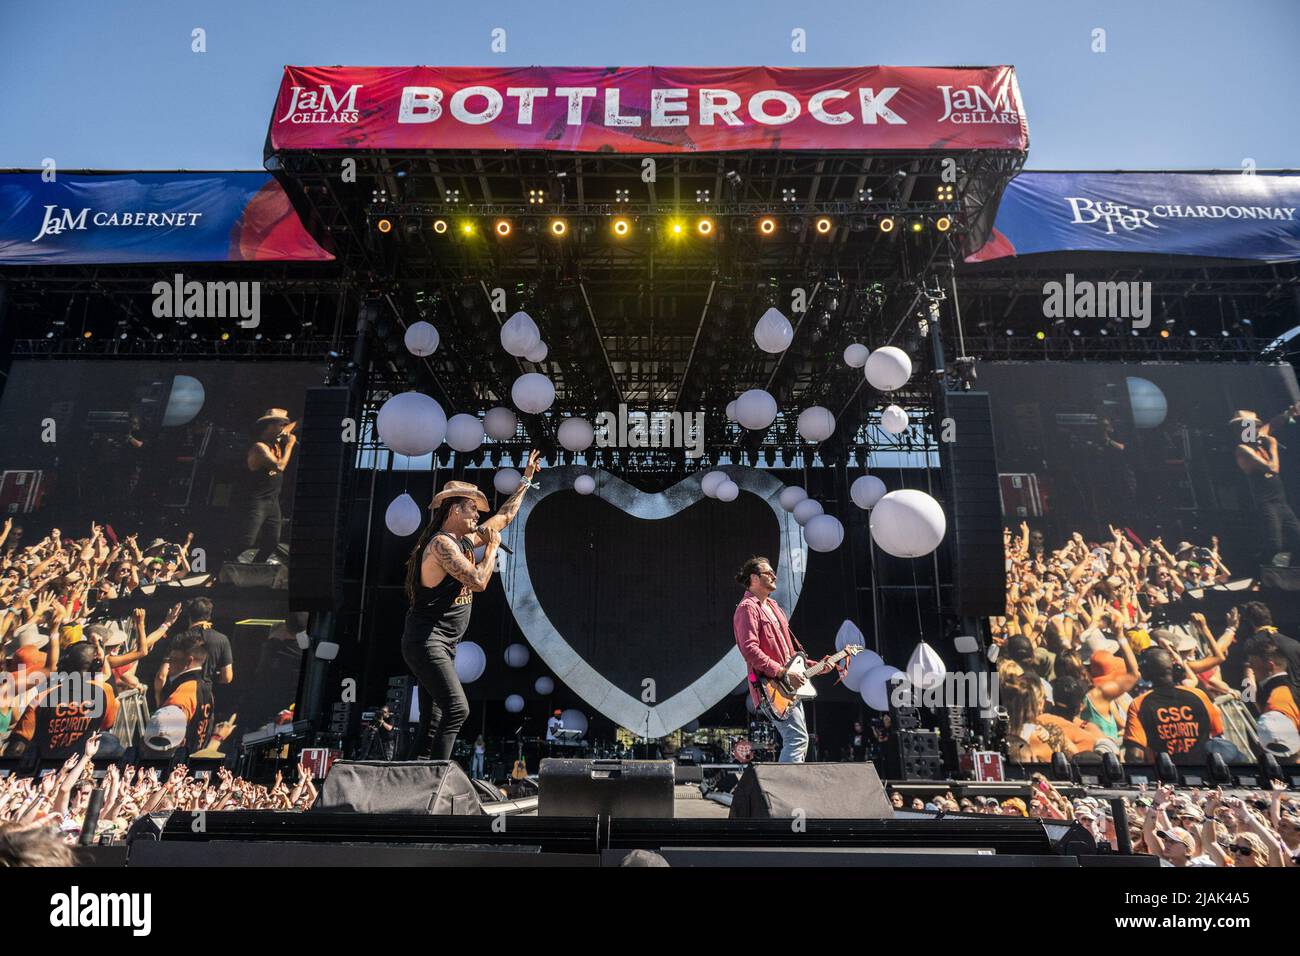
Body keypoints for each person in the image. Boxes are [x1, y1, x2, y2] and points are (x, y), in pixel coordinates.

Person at [401, 452, 541, 760]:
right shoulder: (441, 545)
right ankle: (436, 778)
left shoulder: (463, 541)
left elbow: (504, 516)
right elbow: (478, 581)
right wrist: (491, 549)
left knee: (434, 720)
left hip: (443, 644)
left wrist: (526, 479)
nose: (477, 516)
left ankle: (411, 780)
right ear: (453, 509)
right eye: (471, 510)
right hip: (427, 641)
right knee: (457, 710)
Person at [732, 555, 819, 763]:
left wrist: (808, 666)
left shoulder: (774, 607)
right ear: (754, 578)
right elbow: (749, 649)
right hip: (770, 686)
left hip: (786, 685)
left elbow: (787, 655)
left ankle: (788, 788)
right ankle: (786, 790)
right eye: (767, 572)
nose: (773, 575)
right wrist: (782, 672)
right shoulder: (747, 608)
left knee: (799, 739)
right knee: (796, 738)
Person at [1124, 647, 1244, 764]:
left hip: (1166, 777)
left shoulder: (1139, 704)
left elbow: (1135, 755)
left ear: (1145, 673)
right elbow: (1217, 732)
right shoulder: (1199, 695)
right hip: (1204, 775)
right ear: (1173, 668)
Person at [4, 642, 118, 759]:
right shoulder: (105, 691)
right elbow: (107, 724)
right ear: (96, 665)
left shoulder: (43, 696)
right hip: (80, 766)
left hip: (46, 768)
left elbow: (19, 742)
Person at [1231, 405, 1300, 567]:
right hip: (1267, 503)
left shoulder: (1259, 438)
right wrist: (1273, 446)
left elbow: (1273, 424)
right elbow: (1272, 468)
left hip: (1281, 502)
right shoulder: (1243, 448)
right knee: (1275, 543)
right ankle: (1264, 572)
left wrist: (1287, 413)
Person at [232, 408, 298, 564]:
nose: (284, 428)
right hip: (257, 501)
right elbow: (279, 466)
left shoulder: (274, 440)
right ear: (270, 426)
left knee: (272, 542)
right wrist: (289, 446)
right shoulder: (259, 447)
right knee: (247, 541)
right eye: (281, 425)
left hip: (272, 501)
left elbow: (292, 426)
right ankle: (223, 569)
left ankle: (254, 568)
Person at [143, 630, 214, 755]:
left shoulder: (181, 695)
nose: (168, 664)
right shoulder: (206, 689)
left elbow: (162, 742)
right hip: (191, 759)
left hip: (173, 763)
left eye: (172, 660)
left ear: (188, 661)